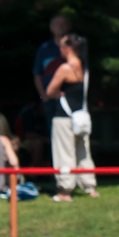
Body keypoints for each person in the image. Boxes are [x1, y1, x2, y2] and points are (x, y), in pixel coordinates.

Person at [46, 33, 98, 201]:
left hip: (63, 117)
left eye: (61, 46)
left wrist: (57, 94)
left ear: (67, 49)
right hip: (80, 117)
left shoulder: (65, 68)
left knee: (64, 154)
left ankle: (65, 191)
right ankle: (90, 187)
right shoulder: (84, 67)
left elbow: (50, 92)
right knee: (83, 152)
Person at [33, 14, 71, 132]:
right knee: (52, 131)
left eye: (63, 24)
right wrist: (43, 95)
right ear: (51, 28)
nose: (60, 26)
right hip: (49, 98)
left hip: (69, 97)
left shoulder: (74, 47)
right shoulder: (44, 48)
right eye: (57, 24)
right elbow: (37, 73)